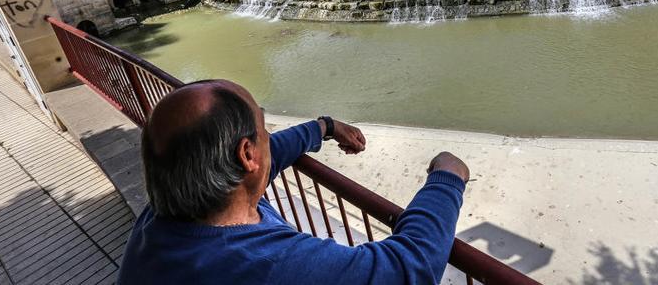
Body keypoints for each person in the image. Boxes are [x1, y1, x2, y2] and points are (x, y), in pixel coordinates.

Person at [117, 79, 470, 285]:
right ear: (247, 154)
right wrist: (447, 179)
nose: (269, 137)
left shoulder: (161, 219)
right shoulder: (271, 265)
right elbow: (409, 267)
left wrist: (325, 128)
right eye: (263, 127)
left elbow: (269, 157)